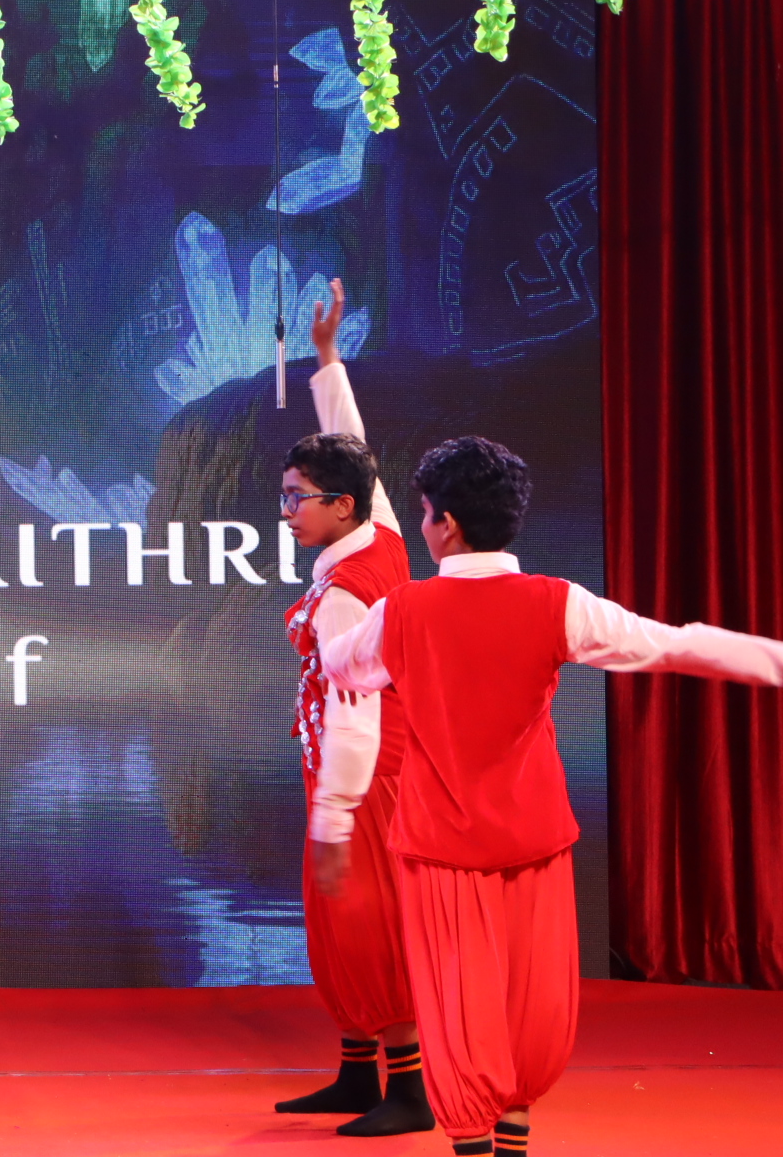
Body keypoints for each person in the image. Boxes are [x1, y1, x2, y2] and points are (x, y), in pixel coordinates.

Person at [317, 436, 783, 1156]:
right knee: (528, 1005)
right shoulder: (557, 602)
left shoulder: (402, 610)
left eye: (425, 513)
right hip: (532, 838)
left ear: (445, 523)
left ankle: (473, 1140)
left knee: (457, 1004)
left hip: (440, 846)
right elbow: (674, 644)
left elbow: (346, 667)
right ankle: (512, 1140)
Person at [274, 280, 431, 1137]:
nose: (287, 512)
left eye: (296, 498)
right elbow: (356, 448)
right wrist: (328, 359)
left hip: (364, 773)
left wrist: (334, 812)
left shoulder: (347, 592)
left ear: (340, 505)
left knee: (368, 921)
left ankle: (408, 1092)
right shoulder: (378, 531)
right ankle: (356, 1072)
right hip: (354, 765)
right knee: (343, 922)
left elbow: (354, 712)